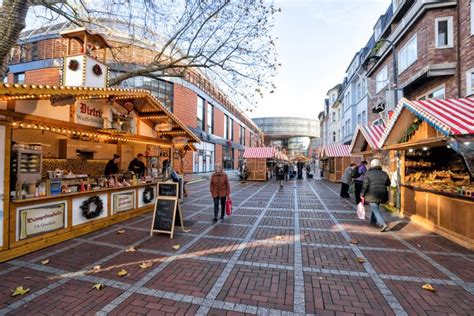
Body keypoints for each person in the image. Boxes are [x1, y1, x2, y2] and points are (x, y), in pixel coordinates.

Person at [360, 159, 390, 232]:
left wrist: (362, 194)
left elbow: (365, 185)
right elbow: (388, 183)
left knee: (375, 209)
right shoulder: (384, 173)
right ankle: (373, 221)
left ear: (372, 165)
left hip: (372, 193)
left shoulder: (368, 174)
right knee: (375, 207)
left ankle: (383, 224)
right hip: (382, 193)